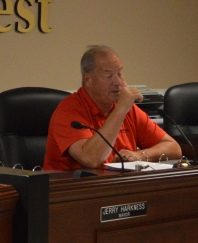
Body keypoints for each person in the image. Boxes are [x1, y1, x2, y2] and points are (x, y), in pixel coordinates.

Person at [44, 45, 181, 171]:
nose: (118, 82)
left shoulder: (128, 109)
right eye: (108, 76)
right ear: (88, 80)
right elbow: (91, 159)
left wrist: (139, 155)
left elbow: (173, 148)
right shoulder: (69, 110)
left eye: (120, 74)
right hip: (71, 191)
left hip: (115, 187)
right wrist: (120, 111)